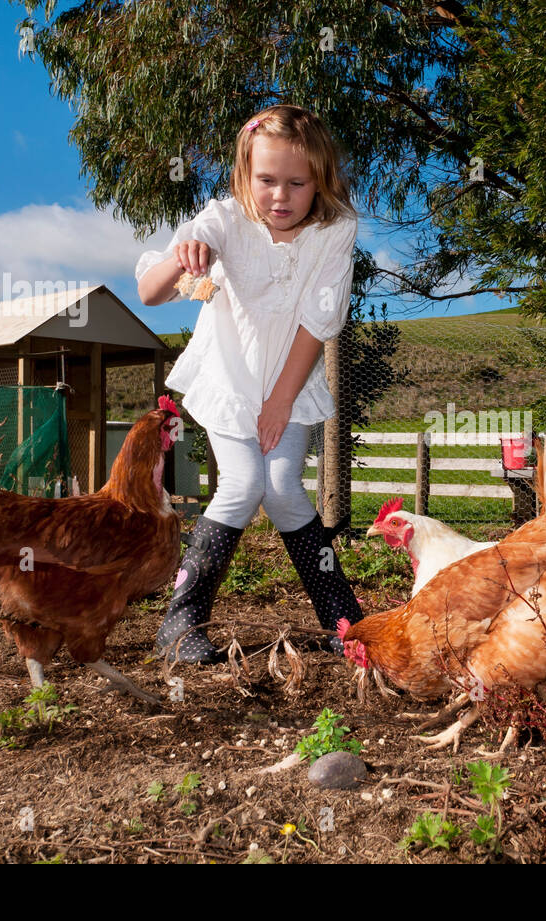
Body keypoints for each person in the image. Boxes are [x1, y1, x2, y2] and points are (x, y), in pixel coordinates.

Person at [135, 104, 363, 663]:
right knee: (240, 485)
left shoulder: (336, 233)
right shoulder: (221, 219)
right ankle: (181, 625)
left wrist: (281, 403)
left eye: (296, 183)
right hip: (229, 380)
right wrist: (185, 256)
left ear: (319, 182)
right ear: (245, 176)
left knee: (283, 488)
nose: (279, 196)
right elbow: (150, 292)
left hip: (290, 382)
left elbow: (318, 323)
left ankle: (345, 621)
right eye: (266, 180)